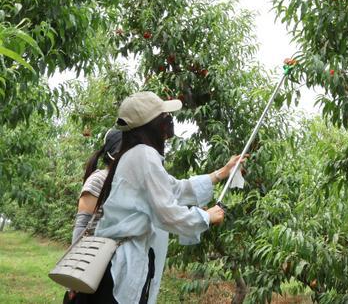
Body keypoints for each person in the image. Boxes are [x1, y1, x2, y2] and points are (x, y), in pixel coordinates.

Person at [73, 91, 245, 304]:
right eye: (165, 116)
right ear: (152, 124)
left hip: (120, 258)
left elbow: (175, 188)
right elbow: (167, 214)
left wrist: (221, 173)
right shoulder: (144, 155)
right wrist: (206, 217)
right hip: (121, 262)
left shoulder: (134, 155)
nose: (169, 120)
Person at [63, 129, 123, 303]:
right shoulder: (98, 180)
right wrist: (73, 275)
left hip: (115, 265)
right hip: (92, 264)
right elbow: (82, 227)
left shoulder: (127, 182)